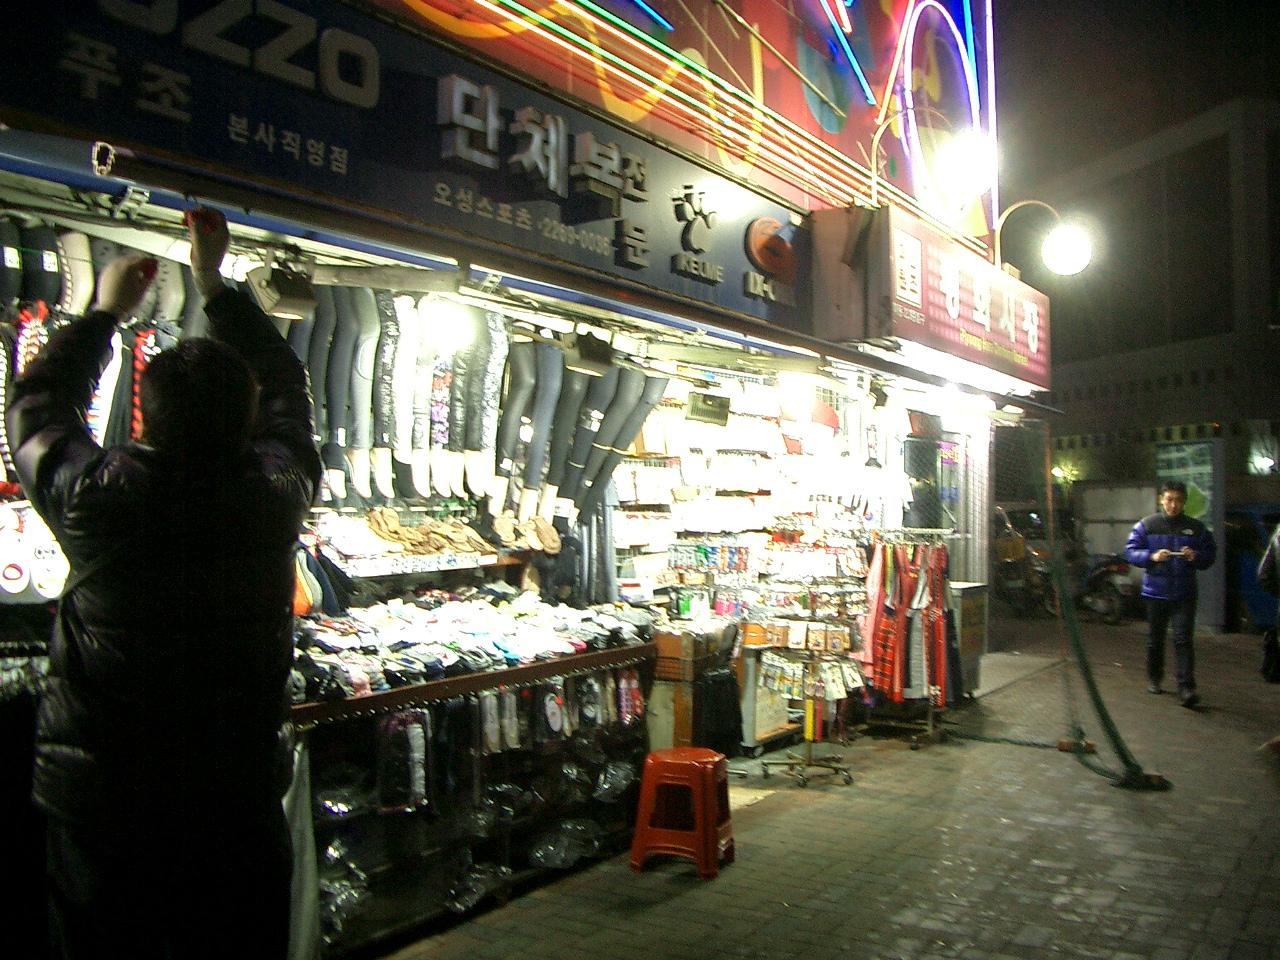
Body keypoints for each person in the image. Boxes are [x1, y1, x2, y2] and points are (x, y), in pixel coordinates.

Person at [6, 207, 321, 959]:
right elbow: (289, 388)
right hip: (233, 799)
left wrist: (104, 314)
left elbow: (35, 408)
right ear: (246, 416)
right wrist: (215, 285)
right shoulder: (275, 495)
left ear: (145, 415)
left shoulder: (96, 498)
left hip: (107, 804)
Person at [1124, 480, 1216, 708]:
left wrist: (1195, 556)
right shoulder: (1147, 525)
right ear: (1161, 500)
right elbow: (1130, 551)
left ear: (1184, 502)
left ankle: (1186, 688)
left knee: (1183, 640)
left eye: (1178, 500)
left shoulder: (1196, 528)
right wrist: (1151, 557)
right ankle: (1154, 678)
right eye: (1169, 500)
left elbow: (1210, 554)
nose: (1173, 505)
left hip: (1184, 594)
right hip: (1155, 593)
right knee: (1155, 640)